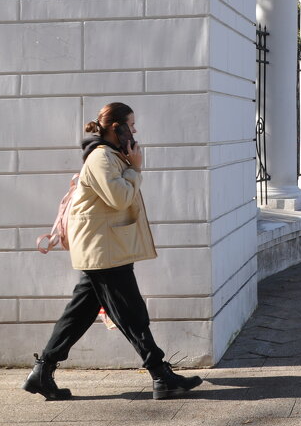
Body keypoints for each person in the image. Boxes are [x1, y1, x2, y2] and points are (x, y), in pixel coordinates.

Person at [23, 102, 202, 401]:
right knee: (131, 312)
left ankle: (42, 372)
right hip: (102, 248)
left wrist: (130, 167)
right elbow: (119, 198)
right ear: (115, 127)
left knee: (79, 314)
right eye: (131, 125)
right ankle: (161, 375)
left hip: (103, 246)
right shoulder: (101, 158)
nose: (135, 130)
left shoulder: (109, 156)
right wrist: (135, 169)